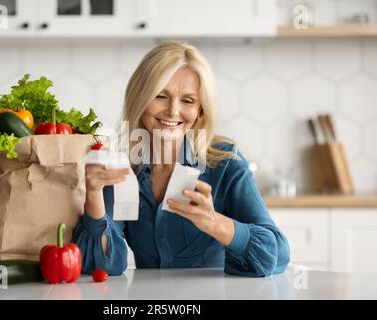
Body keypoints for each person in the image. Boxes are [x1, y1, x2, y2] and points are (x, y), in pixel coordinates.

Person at [72, 41, 290, 277]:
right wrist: (93, 195)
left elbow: (278, 254)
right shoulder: (122, 167)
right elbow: (103, 266)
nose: (173, 111)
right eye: (161, 96)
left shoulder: (225, 162)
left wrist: (214, 223)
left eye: (188, 100)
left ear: (200, 111)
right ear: (140, 99)